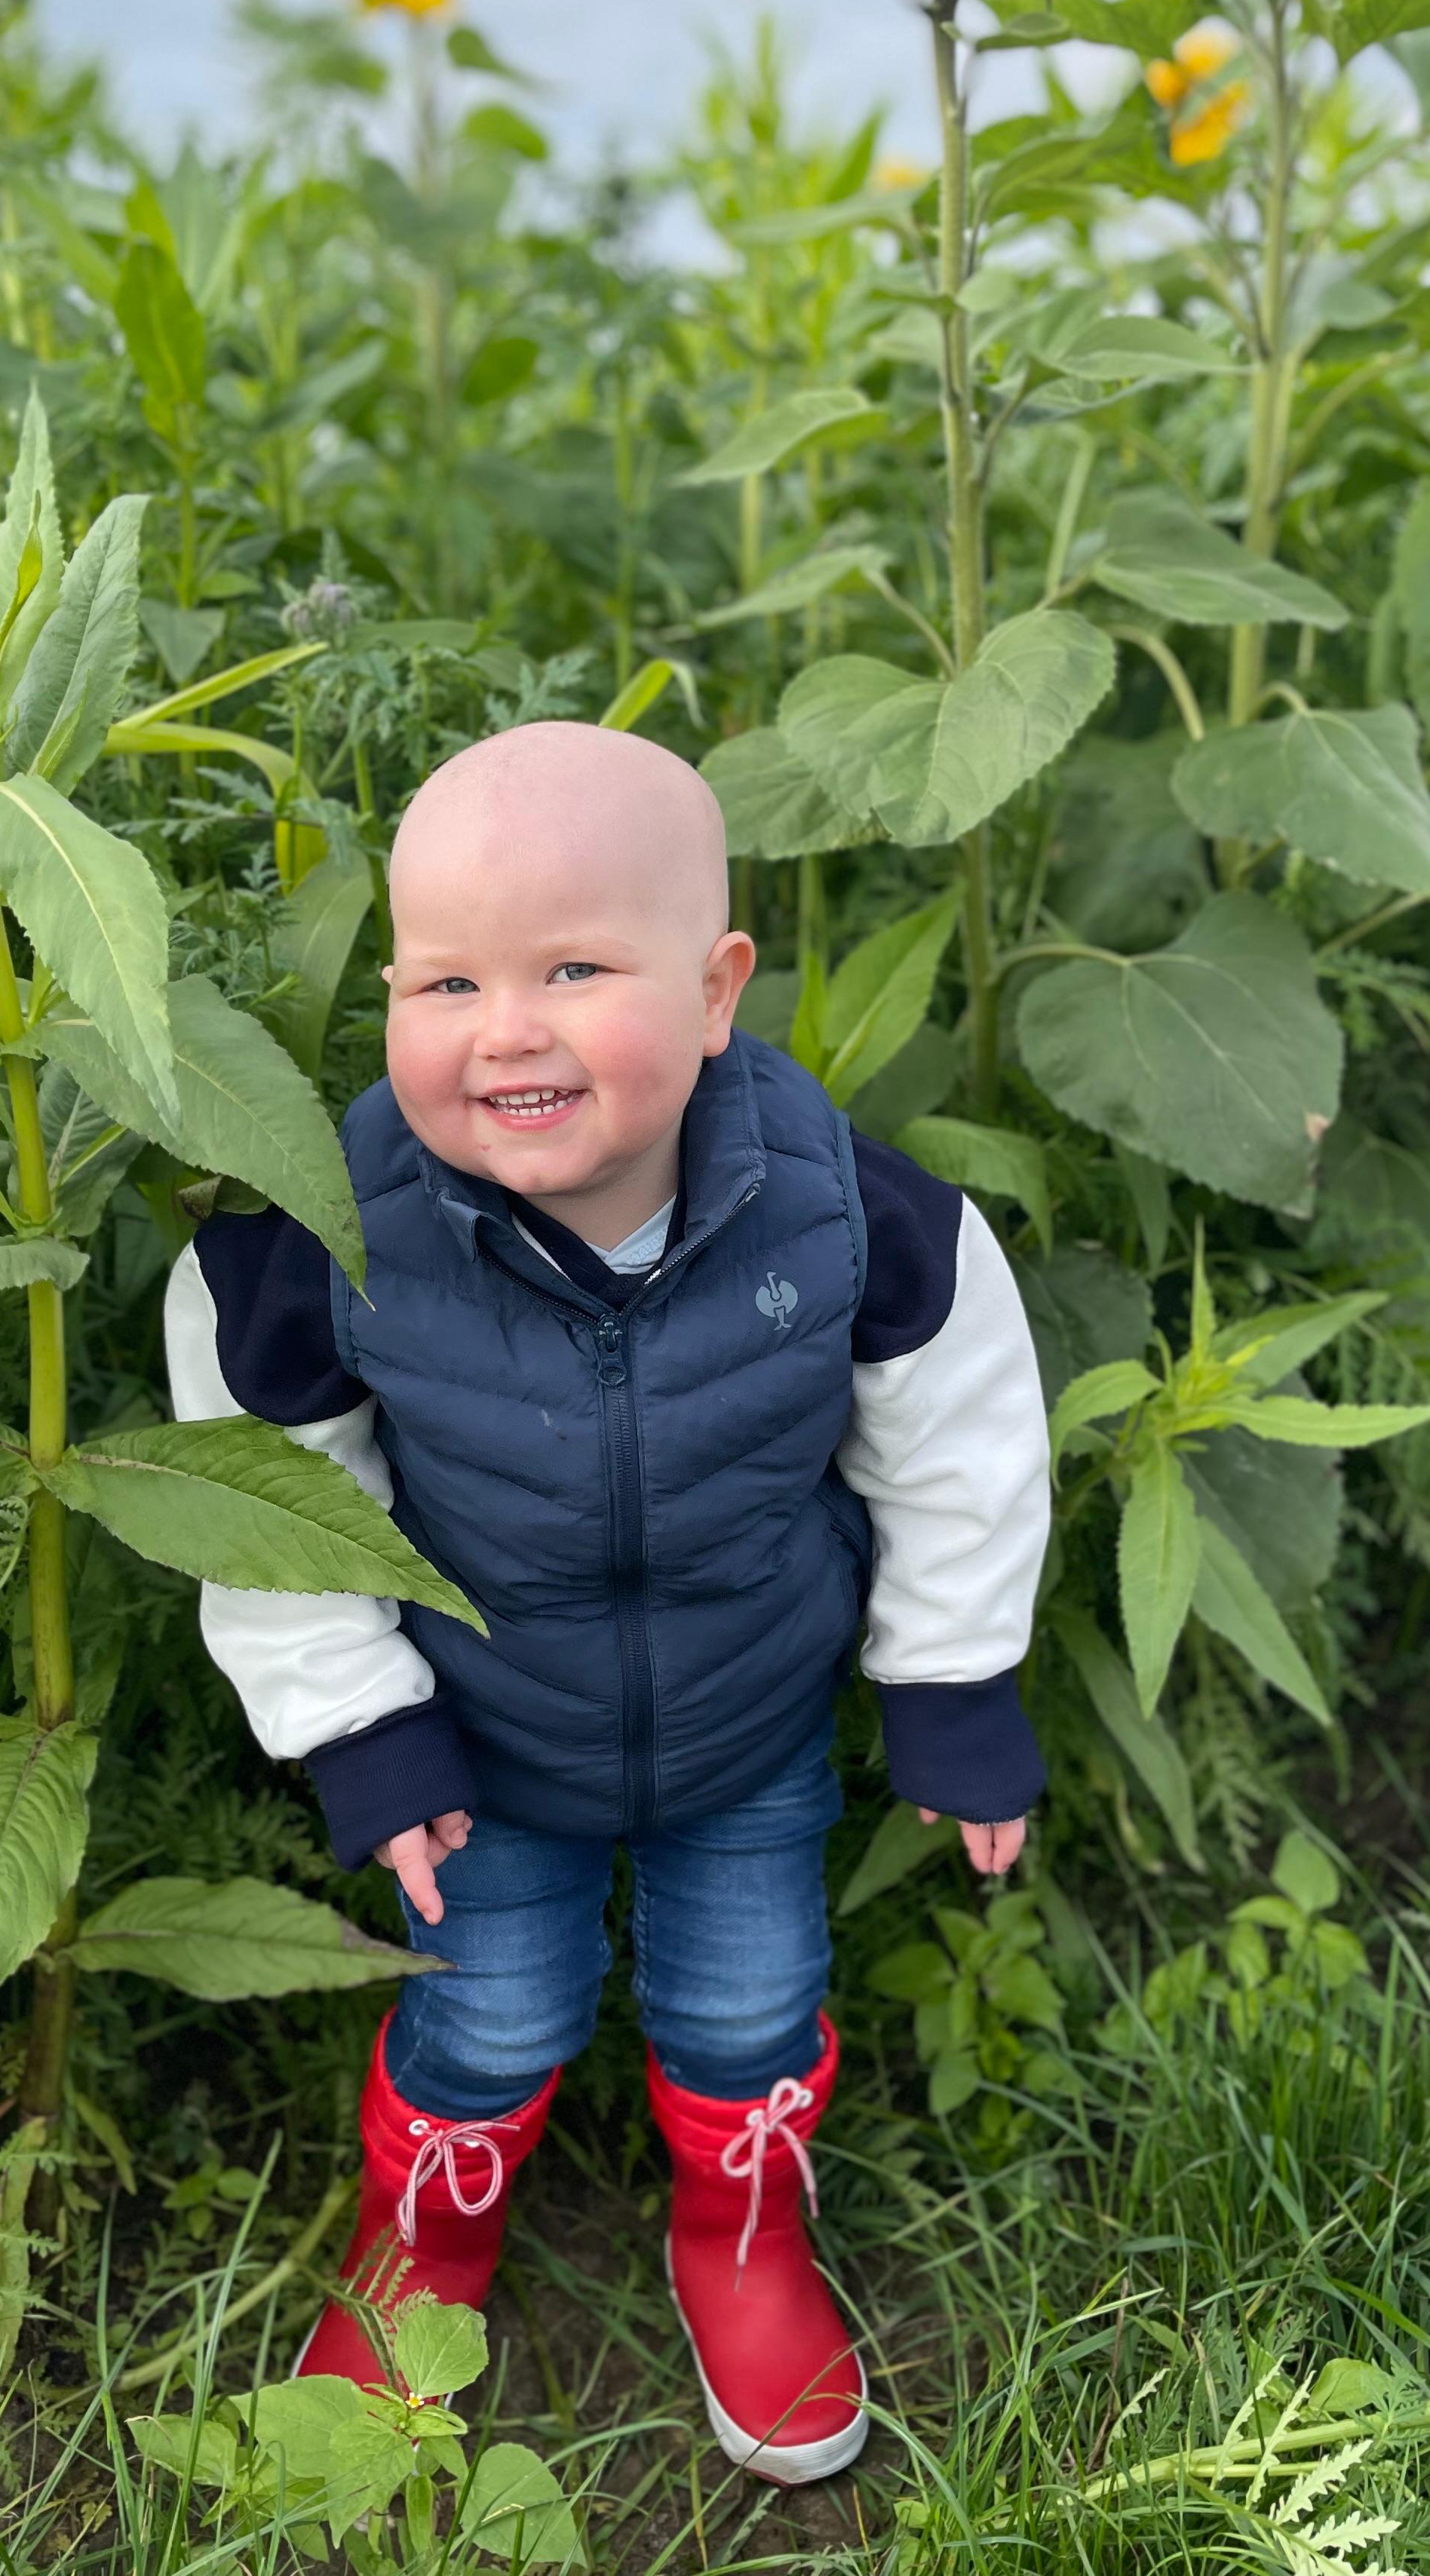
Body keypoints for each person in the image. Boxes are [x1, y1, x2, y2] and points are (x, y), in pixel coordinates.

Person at [163, 720, 1048, 2483]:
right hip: (475, 1747)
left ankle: (744, 2237)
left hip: (748, 1726)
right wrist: (358, 1724)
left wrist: (949, 1686)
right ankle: (426, 2248)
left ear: (717, 990)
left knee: (749, 2002)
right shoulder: (332, 1233)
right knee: (485, 2014)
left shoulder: (839, 1214)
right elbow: (264, 1491)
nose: (507, 1029)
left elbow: (957, 1429)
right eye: (448, 981)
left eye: (575, 968)